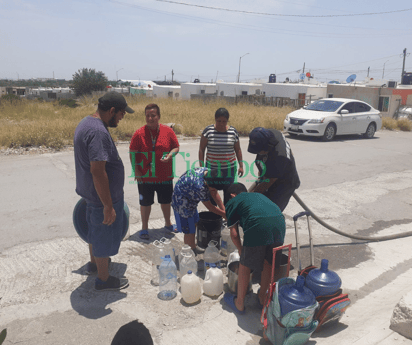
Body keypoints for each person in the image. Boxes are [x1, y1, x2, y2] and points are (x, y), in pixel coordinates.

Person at [74, 92, 132, 291]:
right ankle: (104, 280)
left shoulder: (87, 123)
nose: (121, 118)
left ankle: (94, 264)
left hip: (92, 195)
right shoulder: (97, 132)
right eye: (121, 114)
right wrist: (108, 205)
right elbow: (98, 171)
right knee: (102, 235)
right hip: (101, 198)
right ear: (112, 111)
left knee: (94, 232)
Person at [223, 183, 286, 314]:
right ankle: (262, 298)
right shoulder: (257, 196)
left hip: (258, 225)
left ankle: (239, 303)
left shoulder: (232, 202)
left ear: (232, 195)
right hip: (279, 223)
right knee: (268, 262)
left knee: (244, 266)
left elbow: (234, 235)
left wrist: (241, 251)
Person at [129, 104, 180, 240]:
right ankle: (144, 228)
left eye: (153, 115)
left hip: (165, 175)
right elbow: (132, 153)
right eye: (147, 116)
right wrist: (137, 171)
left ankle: (168, 224)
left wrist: (170, 155)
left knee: (166, 201)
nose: (150, 118)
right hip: (145, 177)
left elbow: (176, 147)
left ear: (159, 116)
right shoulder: (139, 133)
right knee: (145, 203)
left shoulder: (168, 131)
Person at [171, 167, 226, 251]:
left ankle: (192, 245)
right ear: (206, 183)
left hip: (190, 198)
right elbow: (210, 207)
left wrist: (224, 210)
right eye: (213, 188)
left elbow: (214, 193)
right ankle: (190, 252)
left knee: (194, 223)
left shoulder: (208, 172)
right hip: (182, 203)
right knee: (189, 230)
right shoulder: (200, 186)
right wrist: (223, 214)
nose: (214, 190)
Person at [247, 127, 300, 212]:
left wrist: (252, 195)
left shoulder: (280, 157)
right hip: (272, 173)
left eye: (260, 151)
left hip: (285, 183)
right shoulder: (270, 133)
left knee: (272, 210)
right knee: (260, 202)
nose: (259, 153)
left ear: (268, 146)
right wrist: (260, 179)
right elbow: (262, 163)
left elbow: (268, 181)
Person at [199, 107, 244, 205]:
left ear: (227, 120)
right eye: (219, 121)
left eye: (224, 121)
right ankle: (214, 216)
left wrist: (241, 166)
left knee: (229, 193)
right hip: (212, 169)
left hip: (229, 169)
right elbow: (201, 149)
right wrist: (202, 167)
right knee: (212, 193)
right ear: (215, 119)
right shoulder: (208, 131)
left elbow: (238, 149)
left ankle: (227, 215)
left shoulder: (233, 132)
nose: (221, 124)